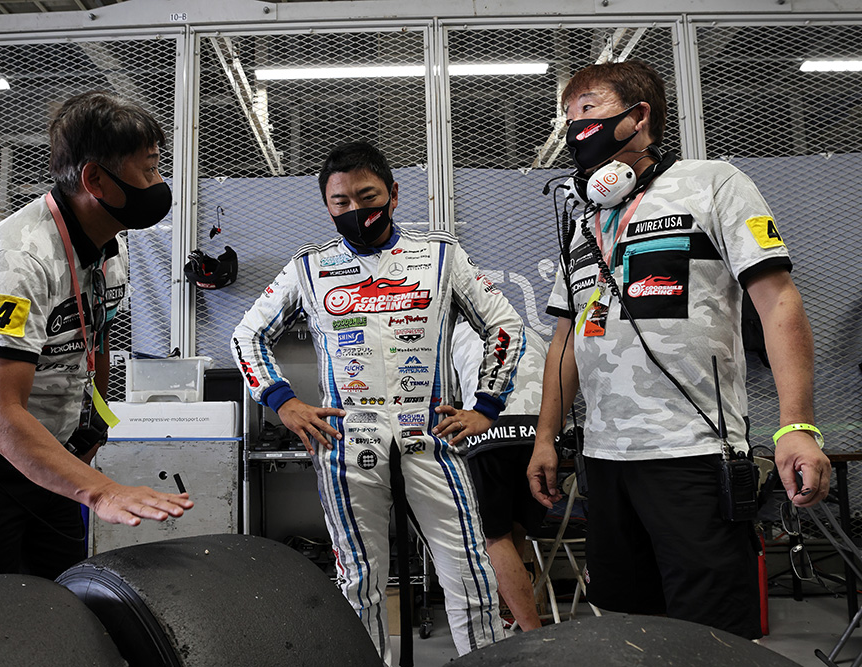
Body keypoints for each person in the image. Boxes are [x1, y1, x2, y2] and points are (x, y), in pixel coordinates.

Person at [526, 60, 830, 640]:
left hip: (692, 452)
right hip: (604, 461)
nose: (573, 126)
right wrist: (546, 437)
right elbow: (566, 338)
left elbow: (778, 302)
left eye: (587, 108)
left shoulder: (714, 182)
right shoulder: (585, 219)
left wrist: (797, 427)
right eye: (567, 115)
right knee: (625, 625)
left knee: (710, 633)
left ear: (638, 116)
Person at [232, 140, 524, 662]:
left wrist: (487, 405)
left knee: (470, 572)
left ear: (393, 194)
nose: (355, 209)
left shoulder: (441, 256)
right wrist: (284, 403)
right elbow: (247, 336)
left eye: (367, 197)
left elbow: (505, 324)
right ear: (327, 206)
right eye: (340, 202)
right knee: (358, 579)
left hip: (433, 437)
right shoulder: (309, 267)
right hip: (346, 441)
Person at [0, 91, 193, 586]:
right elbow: (0, 418)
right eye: (148, 170)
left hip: (48, 451)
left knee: (59, 594)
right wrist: (101, 491)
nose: (159, 183)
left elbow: (95, 342)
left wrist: (93, 427)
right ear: (96, 180)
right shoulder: (18, 261)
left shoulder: (111, 248)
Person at [450, 319, 548, 631]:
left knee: (494, 536)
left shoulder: (454, 334)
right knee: (516, 525)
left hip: (491, 426)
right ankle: (512, 615)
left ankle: (531, 632)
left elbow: (449, 400)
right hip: (540, 430)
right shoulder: (530, 332)